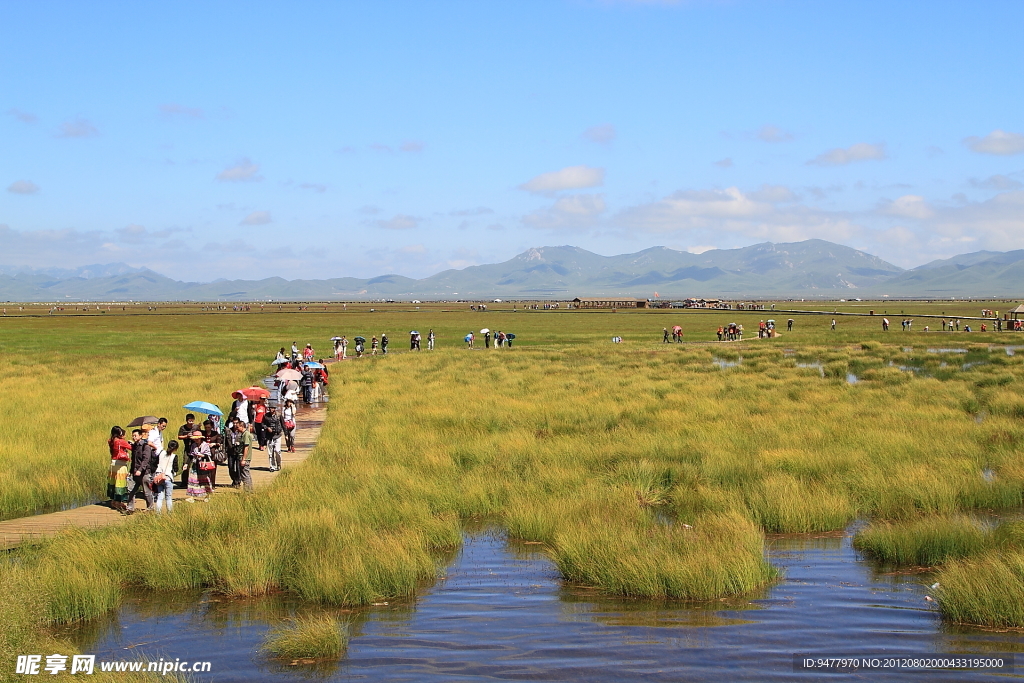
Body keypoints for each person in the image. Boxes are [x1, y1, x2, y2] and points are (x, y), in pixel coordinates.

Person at [126, 428, 157, 514]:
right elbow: (133, 460)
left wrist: (140, 470)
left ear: (140, 436)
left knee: (147, 492)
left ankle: (150, 508)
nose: (134, 437)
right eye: (133, 435)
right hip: (134, 472)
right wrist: (131, 471)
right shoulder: (134, 446)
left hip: (144, 473)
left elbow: (146, 460)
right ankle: (130, 508)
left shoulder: (145, 446)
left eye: (135, 435)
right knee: (130, 489)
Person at [106, 426, 132, 511]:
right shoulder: (121, 441)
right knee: (120, 484)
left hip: (113, 464)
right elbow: (132, 448)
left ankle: (113, 501)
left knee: (114, 483)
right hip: (120, 464)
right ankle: (118, 502)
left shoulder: (111, 441)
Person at [186, 431, 215, 502]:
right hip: (195, 464)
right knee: (193, 480)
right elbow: (190, 455)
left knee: (205, 480)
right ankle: (192, 496)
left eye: (197, 438)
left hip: (203, 465)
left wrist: (202, 455)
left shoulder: (205, 445)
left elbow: (208, 455)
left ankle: (207, 495)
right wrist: (186, 464)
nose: (196, 440)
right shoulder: (193, 445)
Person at [153, 440, 179, 513]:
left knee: (160, 497)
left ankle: (158, 513)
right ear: (175, 449)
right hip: (168, 477)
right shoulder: (174, 456)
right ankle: (169, 513)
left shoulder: (161, 453)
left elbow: (155, 463)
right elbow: (176, 468)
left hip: (159, 477)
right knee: (168, 497)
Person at [231, 417, 255, 491]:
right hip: (242, 457)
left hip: (245, 458)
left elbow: (246, 447)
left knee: (245, 475)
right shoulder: (244, 434)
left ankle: (247, 490)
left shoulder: (246, 434)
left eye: (238, 427)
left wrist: (244, 459)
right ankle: (249, 489)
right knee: (245, 473)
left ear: (242, 426)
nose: (236, 428)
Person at [177, 414, 198, 488]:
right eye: (189, 421)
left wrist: (194, 437)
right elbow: (179, 437)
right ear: (186, 420)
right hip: (187, 448)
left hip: (195, 448)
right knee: (185, 464)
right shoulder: (182, 428)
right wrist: (186, 436)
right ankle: (184, 482)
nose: (191, 422)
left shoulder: (196, 427)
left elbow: (199, 435)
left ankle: (196, 481)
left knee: (196, 465)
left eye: (192, 421)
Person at [203, 419, 225, 487]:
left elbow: (219, 442)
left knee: (213, 469)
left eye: (208, 427)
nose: (207, 429)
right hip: (204, 454)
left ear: (212, 427)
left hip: (213, 453)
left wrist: (214, 444)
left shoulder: (215, 433)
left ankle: (212, 484)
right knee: (204, 469)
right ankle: (205, 483)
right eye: (206, 427)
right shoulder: (202, 433)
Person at [264, 404, 283, 471]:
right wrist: (267, 428)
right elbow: (262, 424)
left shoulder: (279, 415)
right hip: (269, 436)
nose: (271, 409)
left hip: (277, 435)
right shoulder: (266, 416)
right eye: (270, 408)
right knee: (270, 452)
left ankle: (278, 464)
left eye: (273, 408)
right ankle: (272, 466)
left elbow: (283, 424)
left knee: (277, 451)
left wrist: (286, 434)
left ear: (275, 408)